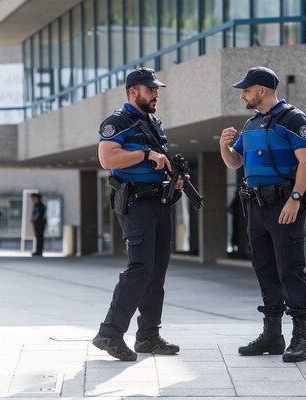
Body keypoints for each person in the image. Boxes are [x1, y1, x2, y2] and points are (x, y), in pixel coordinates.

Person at [219, 66, 306, 362]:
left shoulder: (293, 119)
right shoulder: (251, 125)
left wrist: (295, 198)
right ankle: (272, 334)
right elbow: (235, 163)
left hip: (284, 205)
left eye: (246, 90)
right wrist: (224, 146)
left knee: (290, 268)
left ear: (262, 90)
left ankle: (302, 337)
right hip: (256, 207)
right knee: (264, 269)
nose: (242, 95)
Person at [92, 67, 187, 361]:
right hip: (135, 203)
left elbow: (158, 163)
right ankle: (110, 332)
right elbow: (107, 157)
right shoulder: (117, 122)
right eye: (150, 90)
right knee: (140, 267)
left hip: (158, 201)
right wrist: (146, 155)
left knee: (157, 269)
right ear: (133, 92)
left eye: (156, 89)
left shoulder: (154, 123)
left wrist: (173, 177)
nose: (156, 94)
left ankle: (148, 335)